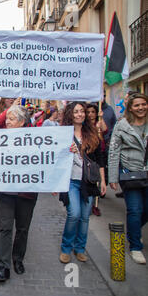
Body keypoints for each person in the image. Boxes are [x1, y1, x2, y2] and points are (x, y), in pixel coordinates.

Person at [0, 105, 38, 283]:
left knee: (22, 228)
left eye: (11, 119)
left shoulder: (36, 138)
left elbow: (49, 157)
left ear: (21, 122)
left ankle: (17, 259)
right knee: (5, 228)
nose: (7, 122)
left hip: (26, 192)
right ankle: (3, 266)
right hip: (4, 191)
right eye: (7, 119)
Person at [59, 102, 106, 264]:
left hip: (89, 182)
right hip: (70, 181)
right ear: (70, 114)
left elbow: (100, 159)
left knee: (85, 217)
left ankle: (80, 248)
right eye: (76, 111)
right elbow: (55, 157)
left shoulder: (92, 133)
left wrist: (103, 181)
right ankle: (66, 247)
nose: (79, 114)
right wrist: (66, 150)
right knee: (74, 214)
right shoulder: (63, 134)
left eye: (82, 112)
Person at [108, 93, 148, 265]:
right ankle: (135, 247)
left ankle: (133, 231)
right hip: (130, 173)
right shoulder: (122, 126)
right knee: (134, 209)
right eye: (137, 105)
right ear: (130, 108)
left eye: (143, 104)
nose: (141, 108)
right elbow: (114, 151)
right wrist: (112, 177)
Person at [85, 103, 108, 216]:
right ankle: (92, 204)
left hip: (100, 152)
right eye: (88, 112)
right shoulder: (84, 127)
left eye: (93, 112)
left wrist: (101, 117)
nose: (90, 114)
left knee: (97, 180)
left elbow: (105, 129)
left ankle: (95, 202)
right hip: (89, 156)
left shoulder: (98, 124)